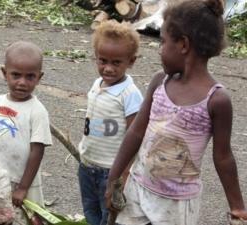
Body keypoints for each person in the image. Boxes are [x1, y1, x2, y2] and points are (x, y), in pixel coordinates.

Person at [105, 0, 247, 224]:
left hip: (177, 205)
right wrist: (114, 176)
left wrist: (237, 206)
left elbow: (223, 156)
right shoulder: (160, 82)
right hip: (138, 190)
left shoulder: (217, 100)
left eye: (163, 42)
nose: (160, 50)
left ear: (183, 44)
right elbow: (136, 133)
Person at [0, 41, 52, 223]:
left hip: (24, 182)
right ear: (4, 74)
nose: (22, 82)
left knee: (28, 219)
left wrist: (23, 187)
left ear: (39, 77)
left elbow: (37, 151)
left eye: (30, 77)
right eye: (16, 75)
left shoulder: (37, 111)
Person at [78, 20, 143, 225]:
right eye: (102, 61)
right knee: (91, 212)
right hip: (88, 165)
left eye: (116, 63)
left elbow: (135, 136)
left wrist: (123, 175)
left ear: (131, 61)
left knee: (110, 217)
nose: (108, 68)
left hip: (111, 171)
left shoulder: (130, 94)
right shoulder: (97, 84)